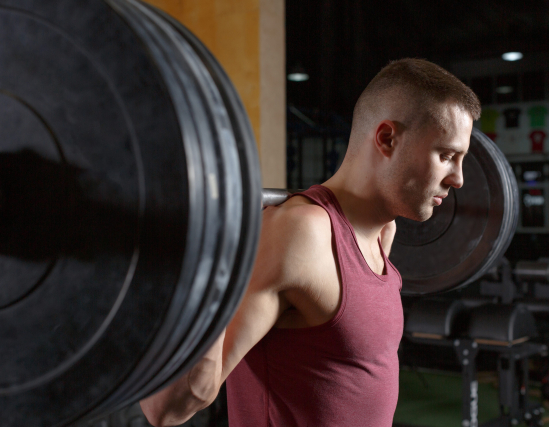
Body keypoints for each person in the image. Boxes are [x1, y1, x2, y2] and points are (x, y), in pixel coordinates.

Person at [140, 58, 481, 427]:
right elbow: (169, 406)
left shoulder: (383, 233)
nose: (459, 179)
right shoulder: (301, 235)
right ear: (387, 139)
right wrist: (212, 255)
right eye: (446, 156)